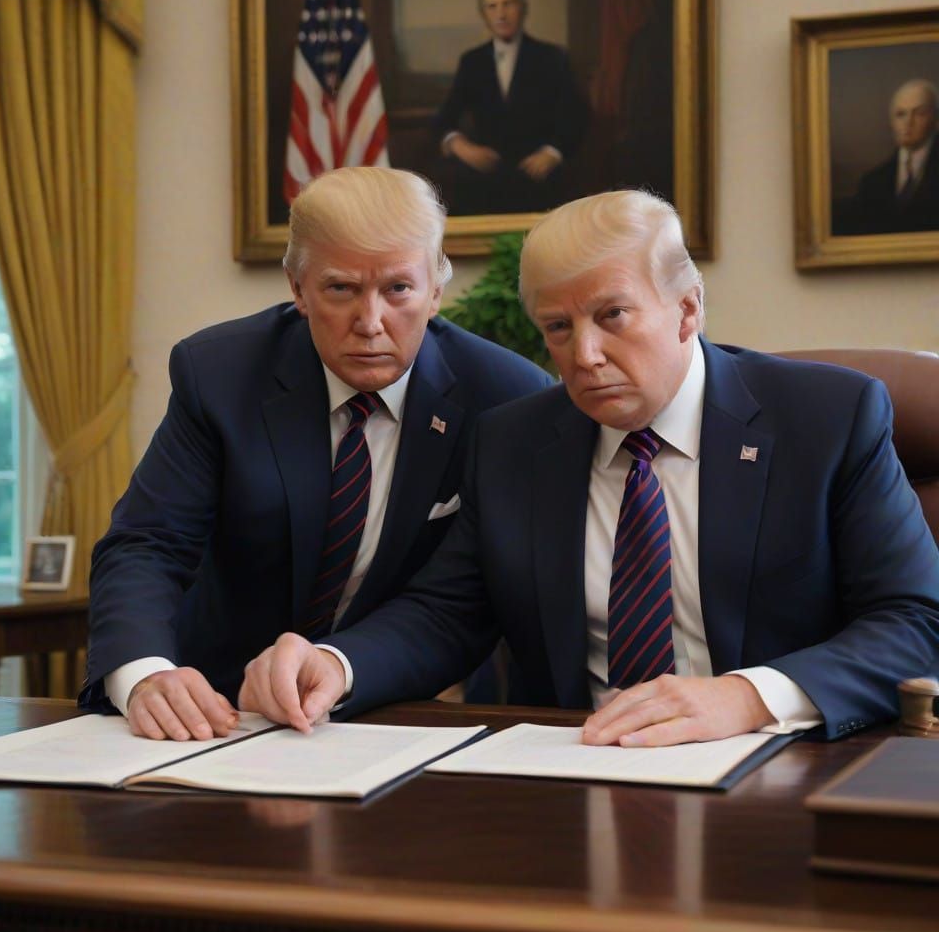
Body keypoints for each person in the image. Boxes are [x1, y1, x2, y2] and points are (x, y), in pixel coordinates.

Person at [241, 189, 939, 747]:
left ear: (687, 308)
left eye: (612, 316)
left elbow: (914, 622)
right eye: (558, 328)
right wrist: (335, 664)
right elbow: (446, 613)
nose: (586, 354)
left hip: (785, 766)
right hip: (581, 770)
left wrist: (749, 696)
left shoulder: (825, 419)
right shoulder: (515, 442)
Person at [80, 166, 552, 739]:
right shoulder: (222, 375)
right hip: (213, 708)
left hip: (395, 711)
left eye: (398, 288)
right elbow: (147, 542)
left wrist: (342, 666)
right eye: (341, 288)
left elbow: (463, 601)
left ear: (436, 289)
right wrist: (146, 674)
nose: (371, 322)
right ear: (297, 288)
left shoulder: (503, 399)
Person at [434, 0, 587, 215]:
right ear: (484, 14)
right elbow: (445, 119)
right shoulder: (472, 61)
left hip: (538, 175)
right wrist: (461, 146)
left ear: (523, 8)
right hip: (486, 176)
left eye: (509, 3)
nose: (501, 14)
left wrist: (552, 153)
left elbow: (575, 116)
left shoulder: (552, 57)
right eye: (492, 6)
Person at [834, 78, 939, 235]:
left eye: (919, 113)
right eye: (900, 114)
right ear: (891, 122)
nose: (908, 122)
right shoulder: (872, 182)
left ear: (936, 120)